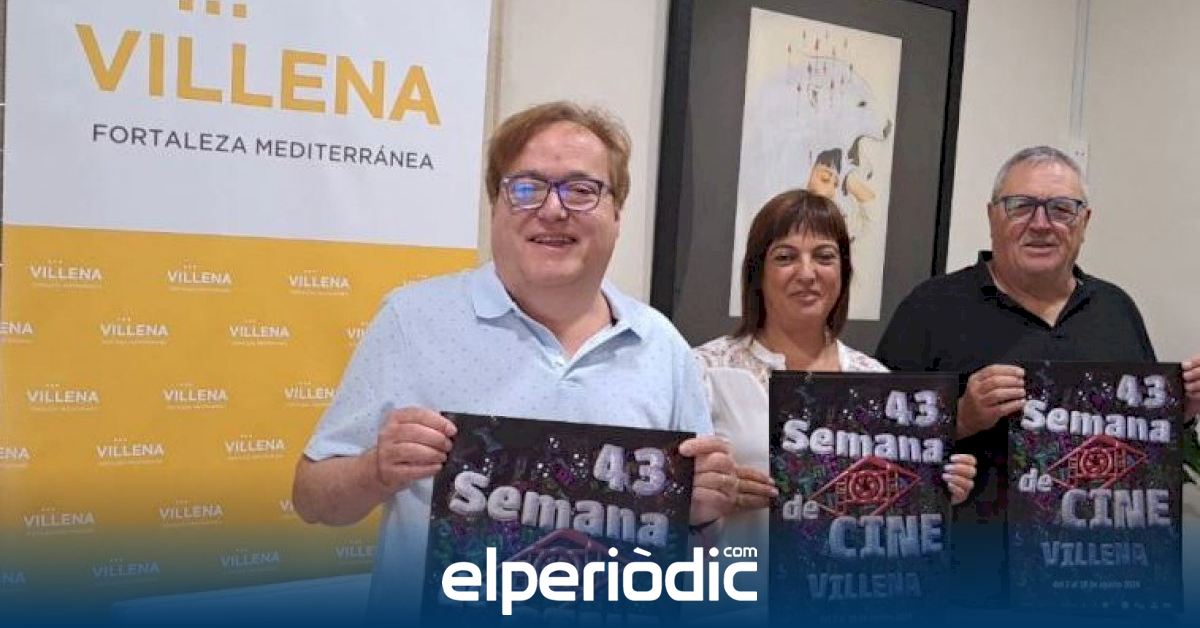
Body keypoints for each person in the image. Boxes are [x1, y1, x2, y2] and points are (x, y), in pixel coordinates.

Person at [291, 101, 737, 617]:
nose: (553, 209)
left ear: (617, 214)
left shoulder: (662, 348)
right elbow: (311, 498)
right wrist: (376, 470)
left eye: (582, 189)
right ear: (495, 206)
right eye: (526, 187)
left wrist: (703, 516)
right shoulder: (411, 320)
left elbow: (698, 556)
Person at [875, 145, 1200, 604]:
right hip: (968, 586)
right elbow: (869, 451)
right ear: (992, 216)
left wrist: (1179, 412)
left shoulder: (1116, 310)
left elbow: (1140, 449)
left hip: (1096, 584)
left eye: (1061, 208)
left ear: (1085, 222)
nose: (1041, 223)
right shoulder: (930, 309)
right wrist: (961, 417)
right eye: (1021, 205)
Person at [695, 189, 977, 554]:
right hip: (735, 583)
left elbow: (888, 517)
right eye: (786, 257)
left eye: (824, 257)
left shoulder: (877, 382)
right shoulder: (704, 370)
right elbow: (665, 511)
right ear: (757, 274)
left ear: (843, 271)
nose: (807, 273)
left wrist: (935, 489)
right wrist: (705, 502)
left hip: (845, 586)